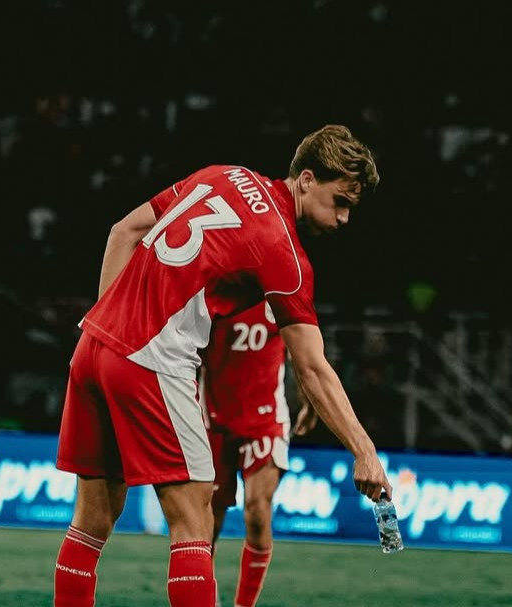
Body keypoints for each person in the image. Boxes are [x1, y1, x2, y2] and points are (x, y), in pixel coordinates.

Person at [53, 125, 392, 607]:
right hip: (153, 358)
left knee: (91, 520)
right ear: (306, 178)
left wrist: (112, 326)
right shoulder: (284, 252)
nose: (342, 219)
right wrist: (364, 450)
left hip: (93, 346)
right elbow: (313, 369)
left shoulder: (223, 174)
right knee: (195, 519)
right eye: (340, 201)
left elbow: (122, 231)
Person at [200, 302, 317, 607]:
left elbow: (302, 346)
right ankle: (204, 600)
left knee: (257, 509)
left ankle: (244, 605)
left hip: (265, 419)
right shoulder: (215, 287)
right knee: (206, 522)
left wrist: (309, 400)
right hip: (213, 419)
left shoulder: (281, 290)